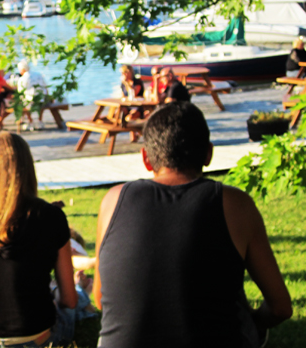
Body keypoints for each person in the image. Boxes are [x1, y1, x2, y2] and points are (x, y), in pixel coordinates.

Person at [93, 102, 292, 348]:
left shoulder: (113, 200)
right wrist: (253, 322)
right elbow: (281, 308)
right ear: (209, 154)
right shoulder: (235, 204)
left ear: (146, 158)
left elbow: (101, 299)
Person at [0, 131, 77, 348]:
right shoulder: (51, 217)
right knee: (78, 299)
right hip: (35, 338)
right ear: (28, 167)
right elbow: (68, 300)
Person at [17, 59, 49, 130]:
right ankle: (40, 121)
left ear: (22, 69)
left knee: (23, 102)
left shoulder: (22, 79)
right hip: (41, 99)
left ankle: (30, 122)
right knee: (40, 101)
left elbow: (20, 92)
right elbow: (45, 86)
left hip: (30, 101)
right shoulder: (38, 74)